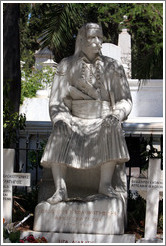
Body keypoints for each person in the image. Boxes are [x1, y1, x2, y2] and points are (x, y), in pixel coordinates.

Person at [40, 23, 132, 205]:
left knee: (111, 125)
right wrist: (60, 118)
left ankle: (105, 185)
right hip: (74, 118)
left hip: (103, 118)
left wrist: (117, 114)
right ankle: (60, 189)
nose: (98, 42)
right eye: (92, 37)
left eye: (100, 37)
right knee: (60, 128)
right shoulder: (66, 65)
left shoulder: (113, 66)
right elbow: (57, 101)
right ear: (82, 40)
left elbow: (125, 99)